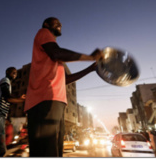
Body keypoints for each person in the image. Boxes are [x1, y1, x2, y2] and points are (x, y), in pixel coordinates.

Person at [24, 17, 103, 157]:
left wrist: (89, 69)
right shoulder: (43, 33)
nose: (60, 24)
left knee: (54, 151)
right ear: (47, 24)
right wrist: (90, 57)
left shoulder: (53, 60)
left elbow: (66, 80)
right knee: (46, 152)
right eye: (56, 22)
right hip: (44, 100)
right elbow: (57, 53)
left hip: (55, 102)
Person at [0, 67, 26, 157]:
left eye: (16, 73)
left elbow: (8, 97)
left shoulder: (7, 84)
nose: (15, 75)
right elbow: (8, 98)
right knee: (0, 150)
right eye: (13, 72)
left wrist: (19, 99)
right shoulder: (5, 81)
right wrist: (22, 100)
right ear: (7, 72)